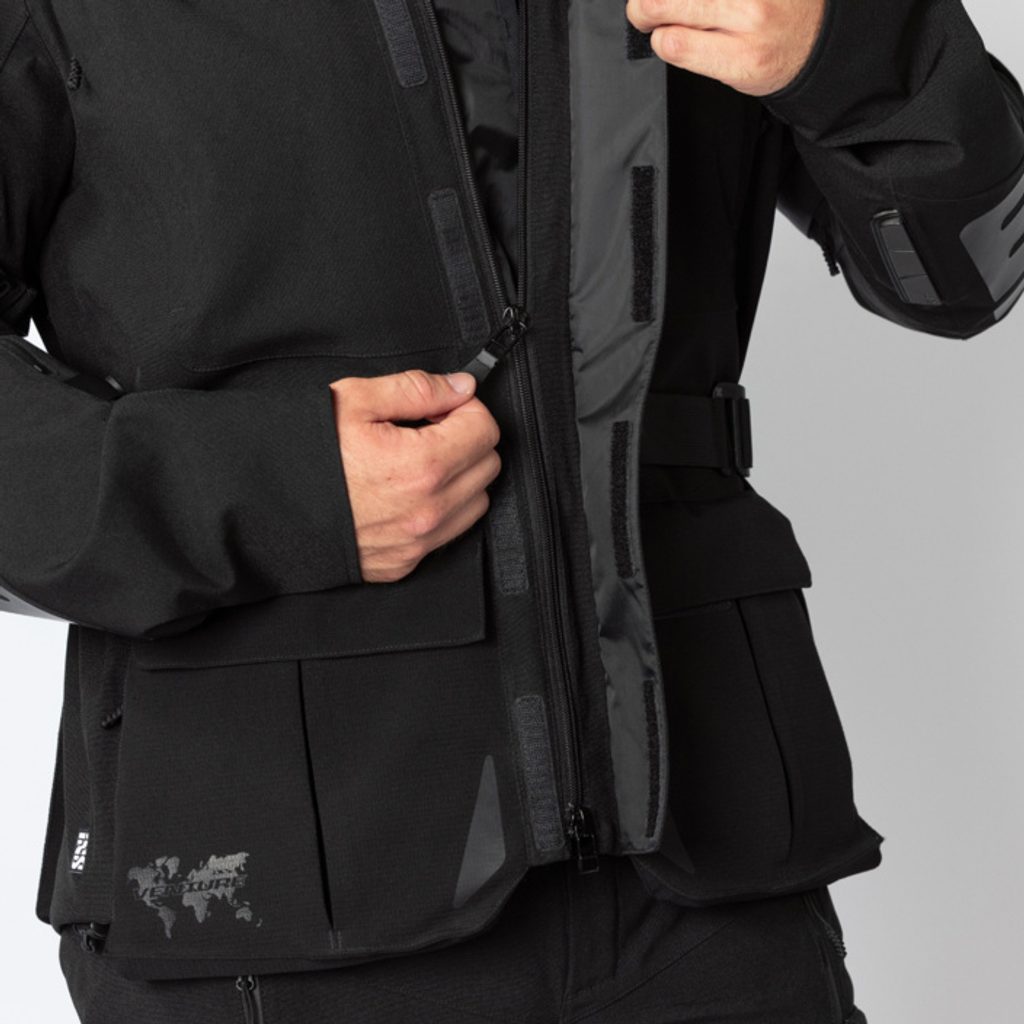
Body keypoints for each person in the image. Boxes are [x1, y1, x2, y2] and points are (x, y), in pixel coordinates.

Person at [1, 0, 1020, 1020]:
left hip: (711, 865)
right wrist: (274, 490)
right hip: (262, 896)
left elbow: (973, 269)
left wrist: (853, 46)